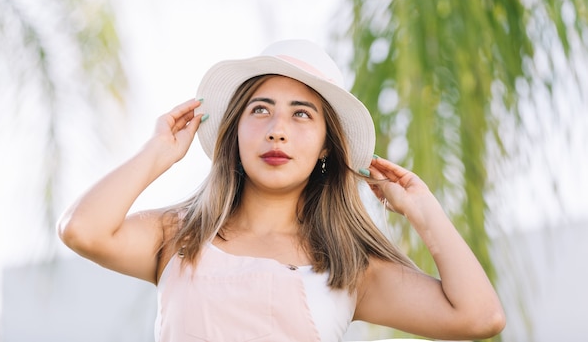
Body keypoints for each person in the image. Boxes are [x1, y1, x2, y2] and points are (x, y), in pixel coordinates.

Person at [57, 39, 505, 342]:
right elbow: (82, 230)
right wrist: (156, 153)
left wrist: (424, 210)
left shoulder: (349, 266)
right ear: (235, 131)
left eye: (301, 115)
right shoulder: (179, 235)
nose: (277, 131)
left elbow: (480, 317)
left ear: (328, 145)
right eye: (261, 110)